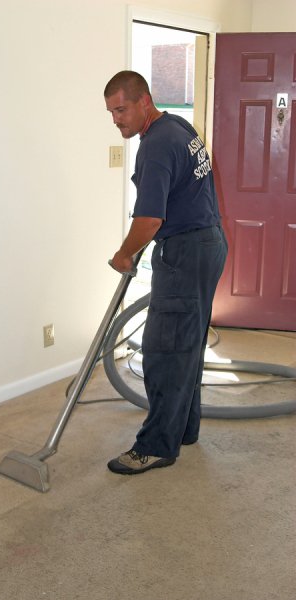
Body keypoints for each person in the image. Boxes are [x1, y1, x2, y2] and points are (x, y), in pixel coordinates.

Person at [104, 70, 228, 475]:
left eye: (121, 109)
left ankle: (156, 445)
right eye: (111, 112)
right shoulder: (178, 125)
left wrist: (125, 253)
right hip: (208, 243)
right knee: (187, 345)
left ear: (144, 101)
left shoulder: (156, 145)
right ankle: (184, 430)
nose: (116, 119)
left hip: (184, 251)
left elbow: (150, 218)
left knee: (164, 352)